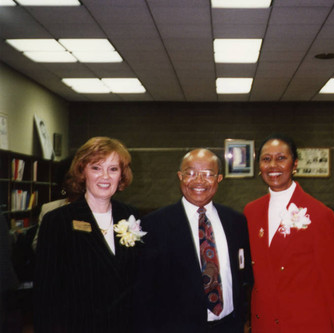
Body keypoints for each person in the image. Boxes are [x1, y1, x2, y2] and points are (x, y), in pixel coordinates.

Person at [135, 148, 253, 333]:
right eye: (190, 173)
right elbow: (144, 292)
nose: (198, 180)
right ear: (180, 176)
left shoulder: (236, 221)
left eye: (207, 174)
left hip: (230, 326)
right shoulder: (154, 225)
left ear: (219, 179)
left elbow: (245, 277)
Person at [33, 137, 141, 333]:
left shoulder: (131, 216)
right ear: (83, 172)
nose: (105, 177)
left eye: (113, 169)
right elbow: (45, 292)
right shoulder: (58, 221)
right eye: (96, 168)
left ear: (122, 176)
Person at [244, 134, 334, 333]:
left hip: (305, 323)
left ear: (295, 164)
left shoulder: (319, 213)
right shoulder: (251, 212)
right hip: (264, 323)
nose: (273, 165)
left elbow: (333, 282)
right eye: (266, 159)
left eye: (281, 158)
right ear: (259, 166)